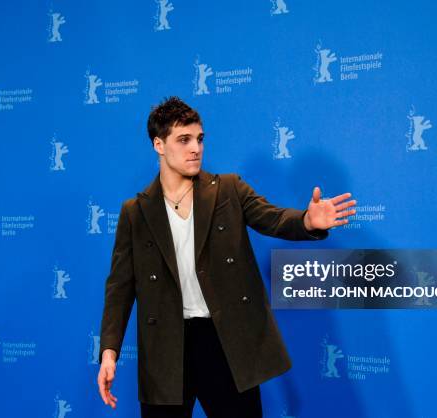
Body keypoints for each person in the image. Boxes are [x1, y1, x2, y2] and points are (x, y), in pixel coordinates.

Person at [97, 96, 357, 417]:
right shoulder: (135, 212)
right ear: (159, 145)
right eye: (184, 140)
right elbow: (119, 289)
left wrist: (306, 221)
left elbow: (273, 218)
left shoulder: (229, 190)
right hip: (164, 347)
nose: (196, 148)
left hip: (223, 341)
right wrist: (109, 354)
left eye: (200, 139)